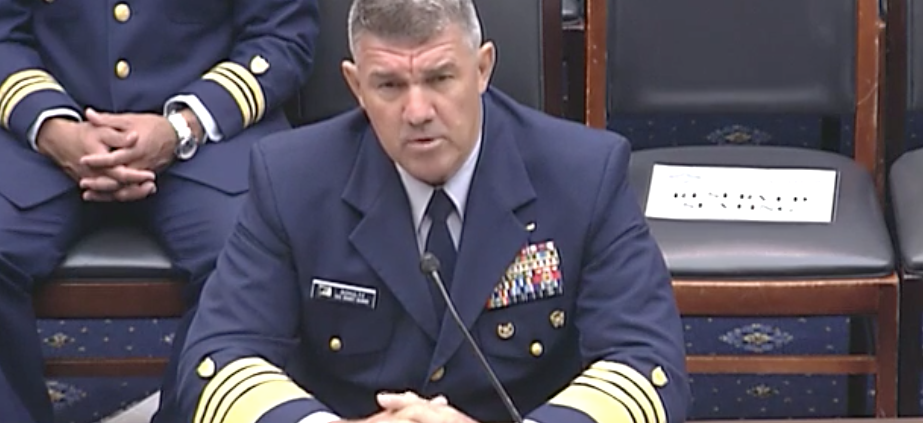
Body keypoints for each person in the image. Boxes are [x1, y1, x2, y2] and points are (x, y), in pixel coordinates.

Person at [176, 0, 689, 422]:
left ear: (482, 69)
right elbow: (218, 358)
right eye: (389, 86)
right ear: (356, 86)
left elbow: (645, 365)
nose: (417, 112)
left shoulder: (582, 173)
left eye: (440, 78)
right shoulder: (291, 178)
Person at [0, 0, 319, 421]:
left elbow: (280, 35)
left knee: (248, 259)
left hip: (207, 133)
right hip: (42, 132)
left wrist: (182, 126)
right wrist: (54, 129)